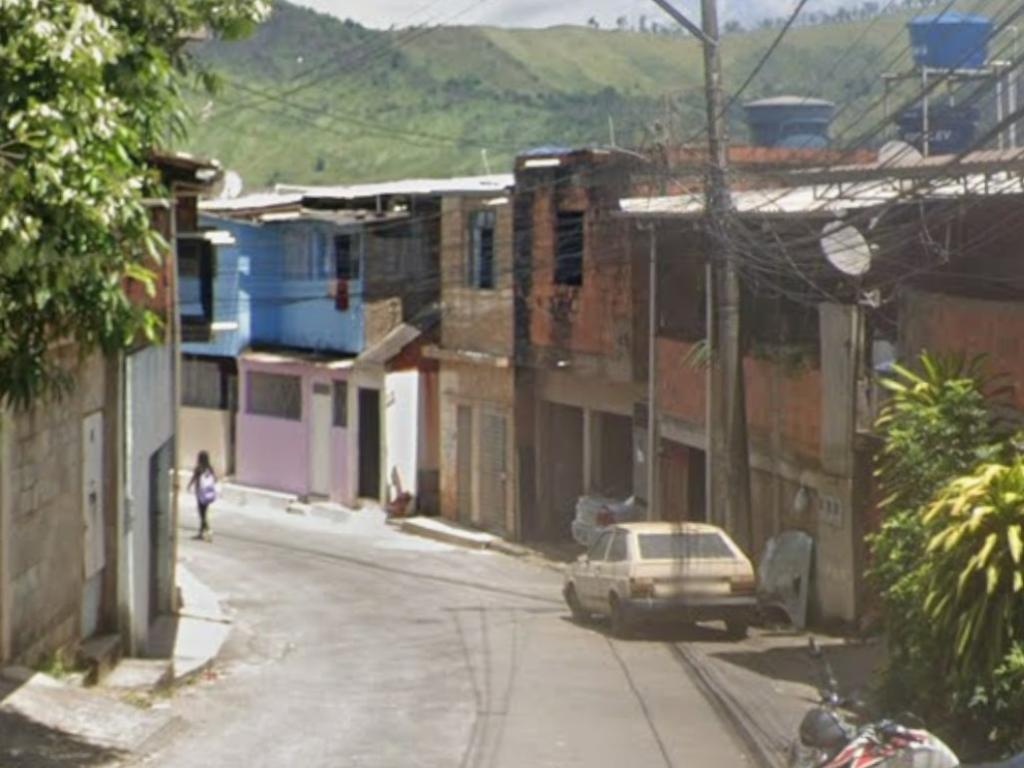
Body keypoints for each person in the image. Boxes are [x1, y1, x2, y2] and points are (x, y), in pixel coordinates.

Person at [188, 451, 217, 541]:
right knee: (204, 513)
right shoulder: (210, 468)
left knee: (202, 514)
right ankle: (201, 533)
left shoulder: (198, 468)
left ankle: (208, 531)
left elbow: (194, 478)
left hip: (200, 493)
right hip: (208, 494)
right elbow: (215, 479)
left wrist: (189, 486)